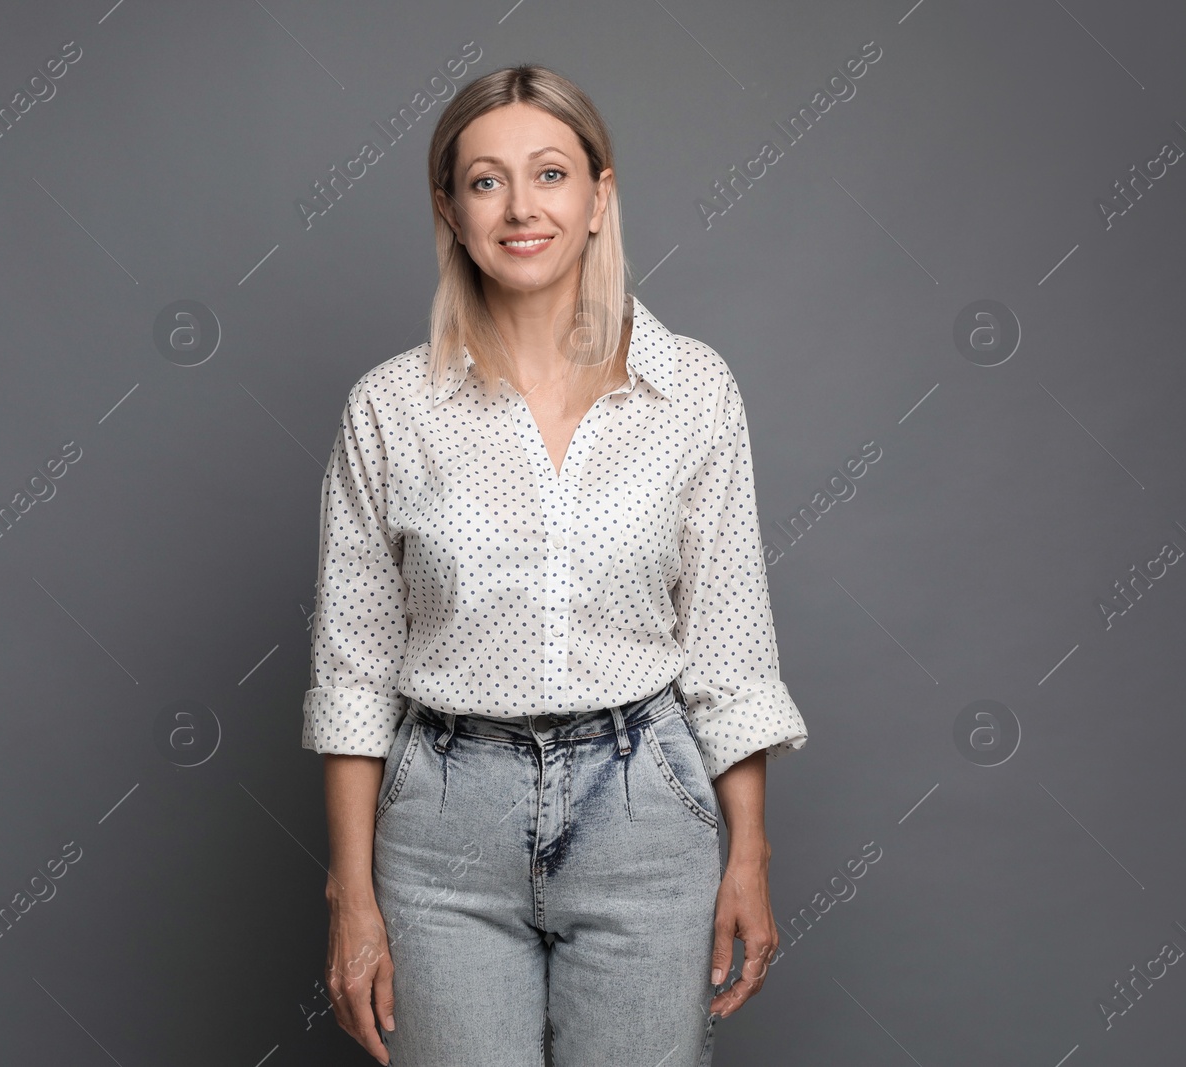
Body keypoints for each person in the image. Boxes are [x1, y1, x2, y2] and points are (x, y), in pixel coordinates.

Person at [301, 64, 809, 1066]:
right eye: (486, 181)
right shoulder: (391, 407)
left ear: (597, 196)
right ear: (449, 209)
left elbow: (730, 643)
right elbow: (352, 673)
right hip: (442, 823)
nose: (521, 206)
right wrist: (350, 892)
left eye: (549, 174)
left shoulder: (692, 390)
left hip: (643, 810)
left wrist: (747, 852)